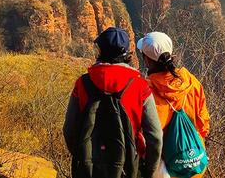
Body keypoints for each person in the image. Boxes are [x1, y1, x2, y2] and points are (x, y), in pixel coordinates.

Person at [63, 27, 163, 178]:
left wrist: (83, 157)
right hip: (128, 167)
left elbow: (69, 130)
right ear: (127, 54)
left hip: (90, 168)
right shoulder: (140, 86)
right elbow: (155, 136)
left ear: (100, 52)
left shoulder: (82, 83)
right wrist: (149, 170)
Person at [137, 32, 210, 178]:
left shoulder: (145, 92)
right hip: (194, 165)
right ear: (171, 54)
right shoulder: (191, 82)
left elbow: (144, 138)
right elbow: (204, 124)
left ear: (146, 60)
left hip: (167, 171)